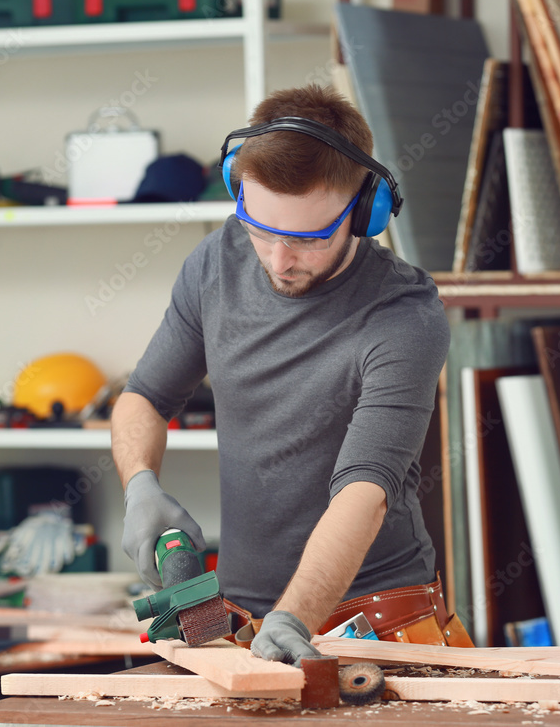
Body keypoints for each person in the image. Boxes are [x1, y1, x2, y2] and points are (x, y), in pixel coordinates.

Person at [112, 84, 471, 666]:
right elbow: (145, 399)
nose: (278, 260)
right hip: (239, 620)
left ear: (363, 213)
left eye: (307, 238)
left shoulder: (404, 315)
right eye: (261, 228)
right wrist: (139, 486)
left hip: (372, 622)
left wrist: (295, 616)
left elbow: (365, 491)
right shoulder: (215, 262)